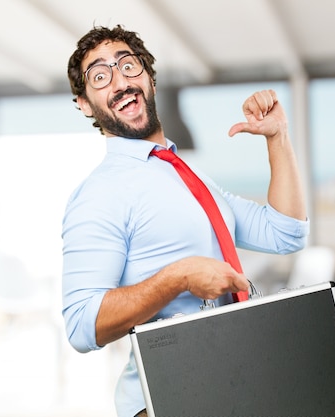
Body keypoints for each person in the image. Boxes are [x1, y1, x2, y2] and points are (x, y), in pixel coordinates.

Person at [62, 25, 309, 417]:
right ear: (85, 104)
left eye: (128, 66)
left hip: (228, 384)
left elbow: (286, 232)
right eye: (100, 76)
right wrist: (179, 277)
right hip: (166, 400)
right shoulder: (99, 194)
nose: (120, 81)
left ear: (150, 78)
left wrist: (278, 137)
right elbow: (80, 325)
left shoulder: (186, 176)